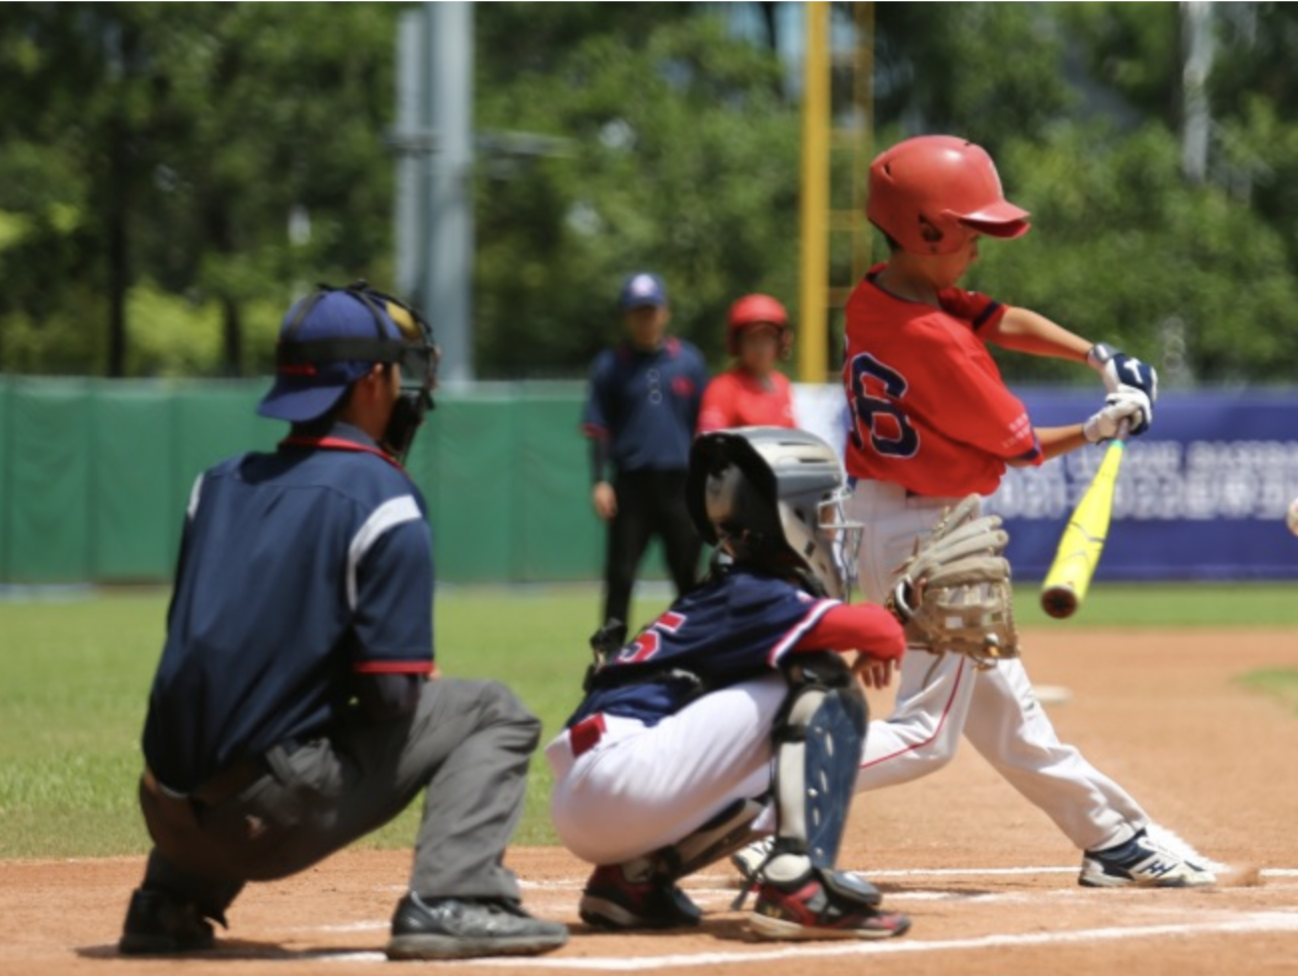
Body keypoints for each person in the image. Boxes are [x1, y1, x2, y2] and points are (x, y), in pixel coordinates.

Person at [734, 134, 1217, 889]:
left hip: (891, 520)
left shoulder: (881, 293)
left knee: (1009, 715)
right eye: (969, 232)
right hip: (933, 538)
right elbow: (1019, 446)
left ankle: (1114, 839)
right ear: (925, 229)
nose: (981, 248)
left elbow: (995, 316)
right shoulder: (936, 343)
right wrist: (1100, 426)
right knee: (927, 734)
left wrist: (1099, 357)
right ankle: (757, 799)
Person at [118, 282, 569, 961]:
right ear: (370, 379)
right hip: (264, 823)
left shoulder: (215, 484)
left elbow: (211, 650)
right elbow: (390, 700)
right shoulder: (383, 497)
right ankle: (455, 897)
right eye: (395, 367)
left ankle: (167, 900)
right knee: (493, 711)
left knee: (242, 710)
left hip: (165, 808)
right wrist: (414, 682)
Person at [548, 426, 912, 940]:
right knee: (824, 680)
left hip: (593, 790)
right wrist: (901, 620)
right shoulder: (754, 591)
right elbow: (873, 629)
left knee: (783, 731)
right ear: (788, 516)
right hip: (624, 775)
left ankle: (631, 881)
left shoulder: (730, 590)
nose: (831, 527)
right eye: (821, 512)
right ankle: (797, 882)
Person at [582, 272, 710, 647]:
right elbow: (598, 427)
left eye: (651, 310)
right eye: (637, 311)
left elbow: (704, 425)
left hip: (680, 483)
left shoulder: (688, 361)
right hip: (630, 485)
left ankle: (697, 647)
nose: (645, 318)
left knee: (688, 575)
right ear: (626, 316)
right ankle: (609, 655)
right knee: (620, 576)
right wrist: (599, 480)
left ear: (665, 313)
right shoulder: (611, 365)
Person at [697, 293, 796, 433]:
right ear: (737, 344)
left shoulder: (782, 384)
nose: (760, 348)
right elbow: (711, 446)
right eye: (752, 339)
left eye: (767, 339)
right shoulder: (723, 389)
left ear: (781, 342)